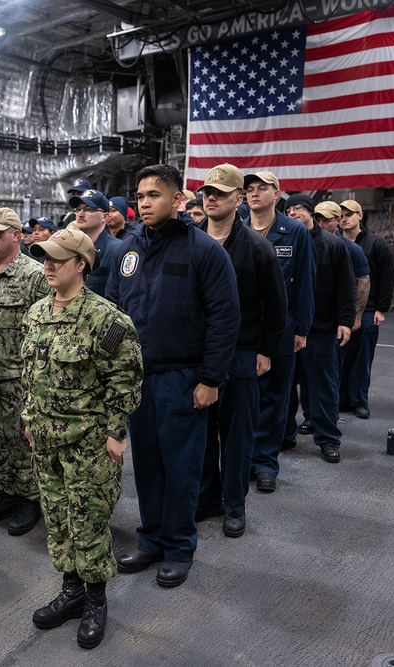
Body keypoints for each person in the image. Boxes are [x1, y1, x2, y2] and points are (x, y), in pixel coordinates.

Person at [106, 164, 240, 588]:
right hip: (138, 379)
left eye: (154, 195)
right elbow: (110, 312)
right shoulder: (127, 250)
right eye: (140, 196)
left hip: (183, 378)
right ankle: (152, 539)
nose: (144, 203)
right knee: (146, 464)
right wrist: (111, 371)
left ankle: (180, 546)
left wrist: (211, 379)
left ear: (178, 200)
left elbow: (225, 317)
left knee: (181, 467)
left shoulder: (203, 250)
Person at [23, 228, 143, 649]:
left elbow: (125, 380)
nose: (49, 265)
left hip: (87, 444)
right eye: (45, 258)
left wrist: (115, 432)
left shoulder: (106, 319)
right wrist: (28, 418)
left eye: (58, 258)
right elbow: (30, 373)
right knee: (56, 519)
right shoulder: (37, 312)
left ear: (82, 265)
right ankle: (71, 592)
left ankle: (95, 601)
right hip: (45, 440)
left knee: (88, 521)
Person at [195, 165, 287, 538]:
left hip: (239, 354)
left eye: (220, 191)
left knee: (236, 435)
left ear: (238, 199)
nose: (211, 197)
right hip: (198, 355)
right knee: (201, 434)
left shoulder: (257, 249)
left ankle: (234, 504)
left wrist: (265, 350)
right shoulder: (190, 241)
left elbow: (275, 306)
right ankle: (208, 497)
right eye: (206, 191)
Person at [0, 207, 50, 535]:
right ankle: (7, 491)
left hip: (19, 379)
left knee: (22, 443)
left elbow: (46, 331)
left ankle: (30, 499)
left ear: (16, 235)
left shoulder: (35, 275)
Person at [244, 172, 315, 494]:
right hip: (243, 330)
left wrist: (302, 328)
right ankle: (241, 460)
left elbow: (305, 283)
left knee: (274, 399)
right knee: (243, 400)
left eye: (262, 189)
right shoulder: (237, 230)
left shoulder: (295, 231)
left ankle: (265, 464)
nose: (255, 194)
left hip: (282, 328)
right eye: (250, 190)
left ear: (278, 194)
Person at [286, 201, 356, 463]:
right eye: (289, 210)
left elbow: (346, 286)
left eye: (298, 209)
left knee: (323, 387)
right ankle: (284, 435)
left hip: (322, 329)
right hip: (289, 329)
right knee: (285, 389)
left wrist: (345, 321)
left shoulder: (333, 245)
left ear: (311, 214)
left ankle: (328, 439)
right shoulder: (284, 240)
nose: (293, 213)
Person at [339, 199, 394, 419]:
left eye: (349, 214)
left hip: (369, 310)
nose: (344, 218)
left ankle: (359, 401)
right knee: (339, 358)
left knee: (362, 359)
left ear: (360, 216)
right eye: (341, 215)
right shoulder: (334, 242)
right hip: (340, 310)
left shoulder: (375, 244)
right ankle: (340, 399)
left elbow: (387, 277)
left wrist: (381, 309)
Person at [67, 189, 120, 298]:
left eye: (88, 209)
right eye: (78, 209)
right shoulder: (70, 248)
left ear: (105, 216)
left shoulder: (118, 250)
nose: (80, 214)